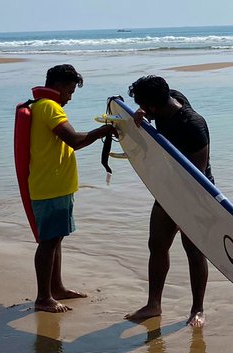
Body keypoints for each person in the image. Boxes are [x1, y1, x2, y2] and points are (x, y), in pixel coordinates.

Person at [123, 75, 211, 328]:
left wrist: (184, 208)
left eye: (142, 104)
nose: (141, 108)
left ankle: (197, 309)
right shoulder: (171, 98)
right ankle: (154, 305)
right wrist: (140, 112)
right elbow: (150, 106)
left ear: (154, 106)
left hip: (195, 192)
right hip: (167, 189)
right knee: (157, 244)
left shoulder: (193, 124)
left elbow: (198, 172)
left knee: (193, 250)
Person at [27, 64, 114, 313]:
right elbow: (74, 141)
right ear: (60, 86)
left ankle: (57, 288)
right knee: (48, 242)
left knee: (56, 239)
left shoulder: (41, 106)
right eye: (70, 91)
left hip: (54, 185)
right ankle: (43, 298)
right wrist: (104, 130)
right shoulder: (49, 107)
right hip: (51, 187)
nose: (70, 98)